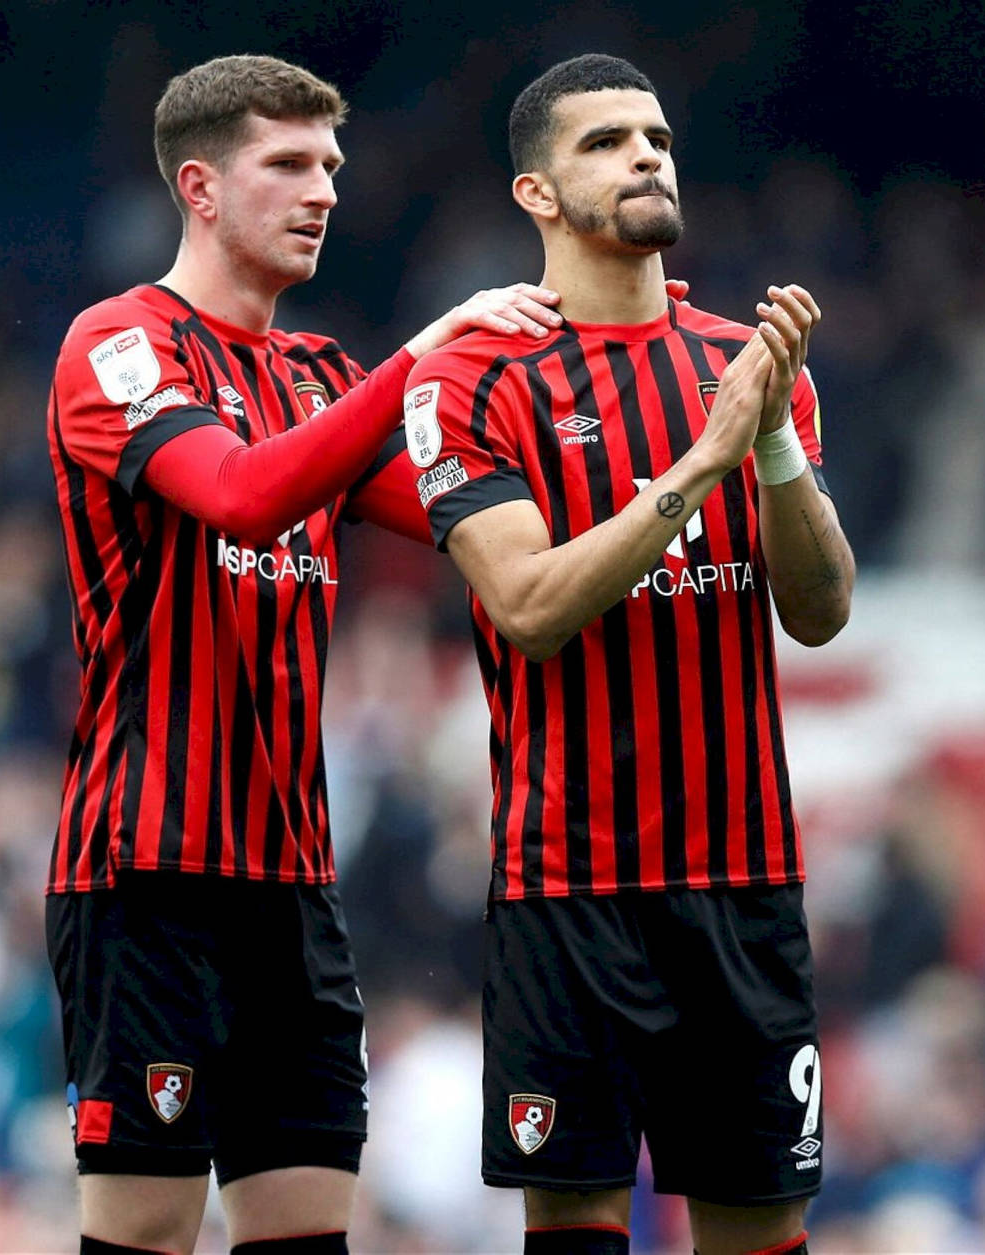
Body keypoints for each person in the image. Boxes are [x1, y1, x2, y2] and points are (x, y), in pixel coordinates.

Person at [45, 55, 560, 1255]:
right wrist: (424, 355)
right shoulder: (116, 345)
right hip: (145, 879)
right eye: (286, 163)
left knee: (308, 1238)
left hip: (291, 889)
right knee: (145, 1237)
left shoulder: (321, 374)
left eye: (330, 163)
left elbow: (469, 513)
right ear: (201, 187)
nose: (323, 188)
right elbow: (238, 495)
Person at [403, 54, 853, 1255]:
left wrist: (771, 448)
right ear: (537, 195)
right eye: (604, 142)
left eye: (655, 134)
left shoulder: (745, 362)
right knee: (580, 1227)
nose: (646, 154)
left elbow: (820, 612)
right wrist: (705, 462)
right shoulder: (472, 376)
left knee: (761, 1229)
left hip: (746, 883)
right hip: (570, 888)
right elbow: (530, 607)